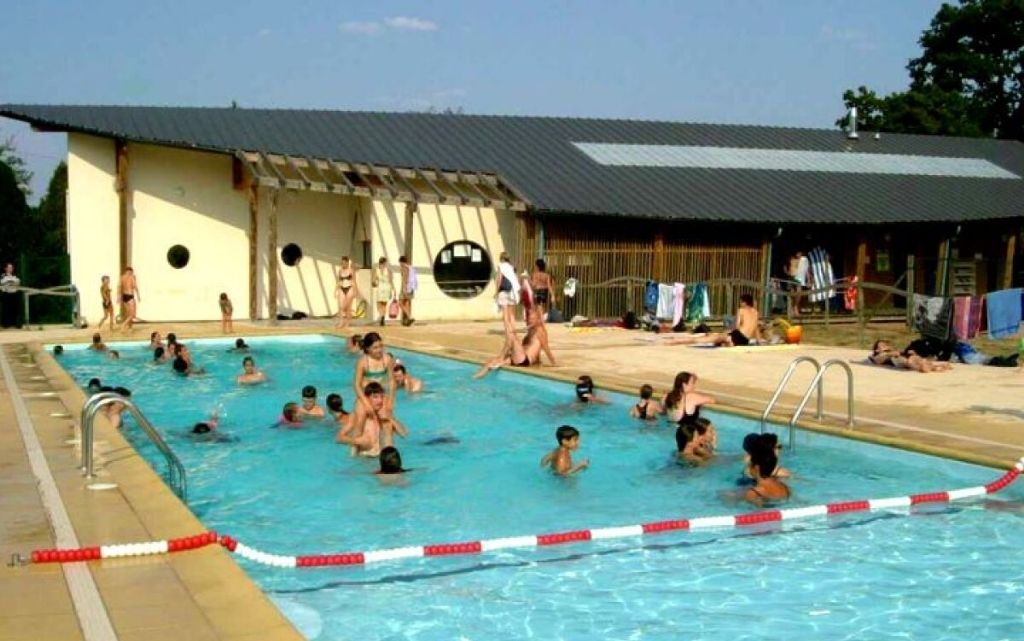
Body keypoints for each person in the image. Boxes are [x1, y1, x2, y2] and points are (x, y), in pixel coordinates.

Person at [474, 308, 555, 378]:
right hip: (519, 358)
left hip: (524, 360)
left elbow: (546, 349)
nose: (529, 321)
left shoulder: (540, 332)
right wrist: (537, 362)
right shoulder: (528, 335)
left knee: (512, 335)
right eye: (529, 319)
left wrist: (554, 363)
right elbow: (534, 351)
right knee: (491, 362)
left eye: (532, 319)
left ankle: (501, 357)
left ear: (537, 320)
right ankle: (476, 377)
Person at [337, 381, 408, 456]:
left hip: (384, 459)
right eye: (375, 397)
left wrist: (391, 418)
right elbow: (339, 438)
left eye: (381, 397)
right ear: (367, 399)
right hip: (364, 460)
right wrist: (357, 441)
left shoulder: (386, 415)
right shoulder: (357, 416)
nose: (380, 401)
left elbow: (404, 434)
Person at [353, 332, 397, 409]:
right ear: (367, 348)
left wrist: (391, 399)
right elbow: (357, 385)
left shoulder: (387, 359)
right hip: (366, 396)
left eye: (381, 346)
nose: (379, 350)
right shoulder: (363, 362)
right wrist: (365, 402)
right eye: (375, 348)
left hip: (381, 396)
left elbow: (392, 381)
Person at [870, 340, 952, 373]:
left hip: (904, 357)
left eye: (885, 344)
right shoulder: (878, 355)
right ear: (877, 350)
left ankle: (934, 366)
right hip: (898, 361)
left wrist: (908, 352)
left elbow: (900, 353)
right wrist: (890, 353)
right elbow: (877, 360)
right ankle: (931, 366)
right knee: (909, 361)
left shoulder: (891, 351)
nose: (884, 345)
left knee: (914, 356)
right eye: (881, 345)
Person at [494, 252, 521, 336]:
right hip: (512, 292)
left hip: (504, 291)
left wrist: (496, 291)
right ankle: (514, 332)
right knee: (511, 314)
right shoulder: (512, 267)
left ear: (501, 258)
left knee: (505, 314)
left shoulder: (501, 266)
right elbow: (516, 279)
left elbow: (499, 279)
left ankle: (508, 333)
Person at [335, 256, 359, 329]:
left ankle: (347, 323)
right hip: (342, 288)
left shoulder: (351, 271)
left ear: (347, 263)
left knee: (348, 307)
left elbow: (354, 281)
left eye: (345, 263)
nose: (343, 264)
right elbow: (339, 281)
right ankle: (341, 322)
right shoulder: (340, 271)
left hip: (350, 288)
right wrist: (335, 290)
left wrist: (356, 291)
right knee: (341, 307)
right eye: (342, 263)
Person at [372, 257, 394, 327]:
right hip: (387, 287)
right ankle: (383, 317)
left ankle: (381, 316)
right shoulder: (389, 271)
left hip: (380, 287)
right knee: (384, 304)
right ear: (385, 263)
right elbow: (391, 281)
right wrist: (392, 290)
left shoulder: (376, 270)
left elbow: (374, 281)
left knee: (379, 304)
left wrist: (374, 283)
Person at [117, 266, 140, 331]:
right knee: (132, 315)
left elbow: (119, 287)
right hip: (130, 296)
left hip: (124, 296)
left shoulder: (122, 277)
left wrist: (118, 297)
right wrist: (138, 296)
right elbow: (135, 286)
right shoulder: (132, 277)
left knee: (128, 314)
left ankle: (130, 327)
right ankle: (124, 325)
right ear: (130, 271)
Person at [0, 262, 21, 329]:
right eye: (9, 267)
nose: (10, 269)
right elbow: (2, 283)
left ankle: (15, 323)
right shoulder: (2, 276)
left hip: (14, 294)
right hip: (6, 294)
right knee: (6, 309)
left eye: (11, 268)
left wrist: (10, 281)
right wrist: (9, 281)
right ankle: (6, 324)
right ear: (5, 268)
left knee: (14, 309)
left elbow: (18, 282)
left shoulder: (15, 276)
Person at [398, 255, 416, 326]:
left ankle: (410, 317)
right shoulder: (411, 267)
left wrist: (404, 288)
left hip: (405, 288)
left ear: (401, 262)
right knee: (407, 303)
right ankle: (408, 319)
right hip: (411, 287)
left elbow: (405, 278)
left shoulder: (404, 268)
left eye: (400, 262)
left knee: (400, 303)